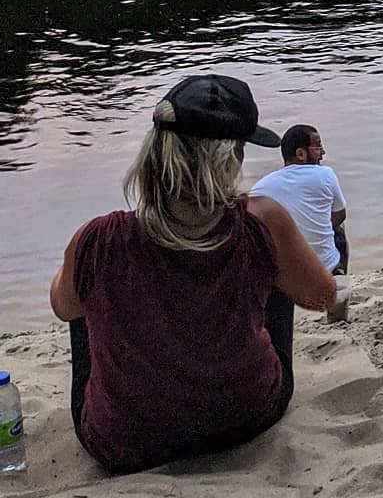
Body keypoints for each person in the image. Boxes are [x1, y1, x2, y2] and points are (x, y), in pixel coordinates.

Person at [48, 73, 338, 475]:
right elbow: (322, 296)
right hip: (245, 416)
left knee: (85, 288)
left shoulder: (97, 238)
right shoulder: (262, 220)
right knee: (271, 260)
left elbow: (63, 309)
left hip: (122, 444)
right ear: (231, 156)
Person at [252, 125, 349, 276]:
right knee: (339, 229)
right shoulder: (325, 175)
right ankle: (340, 276)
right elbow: (340, 215)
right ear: (301, 154)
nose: (323, 152)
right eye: (318, 147)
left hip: (284, 277)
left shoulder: (260, 187)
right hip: (325, 270)